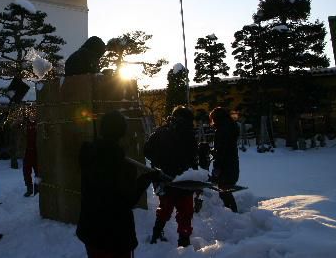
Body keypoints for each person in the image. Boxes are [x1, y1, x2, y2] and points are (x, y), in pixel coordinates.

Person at [76, 110, 159, 258]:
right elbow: (128, 198)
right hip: (114, 236)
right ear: (122, 132)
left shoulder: (89, 155)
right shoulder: (121, 165)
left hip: (91, 230)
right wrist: (146, 178)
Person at [144, 105, 199, 248]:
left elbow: (147, 151)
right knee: (185, 213)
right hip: (184, 180)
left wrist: (159, 163)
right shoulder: (190, 134)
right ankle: (184, 242)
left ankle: (156, 235)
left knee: (165, 209)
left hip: (165, 179)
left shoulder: (161, 131)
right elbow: (194, 159)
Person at [209, 107, 240, 213]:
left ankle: (233, 215)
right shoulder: (230, 127)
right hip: (232, 165)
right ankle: (232, 214)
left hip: (225, 168)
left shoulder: (222, 130)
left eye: (213, 119)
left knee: (224, 192)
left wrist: (216, 169)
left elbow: (222, 152)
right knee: (225, 191)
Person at [23, 119, 40, 197]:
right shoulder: (24, 126)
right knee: (26, 173)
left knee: (38, 173)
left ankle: (37, 189)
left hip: (36, 154)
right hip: (27, 153)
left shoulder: (38, 125)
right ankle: (29, 189)